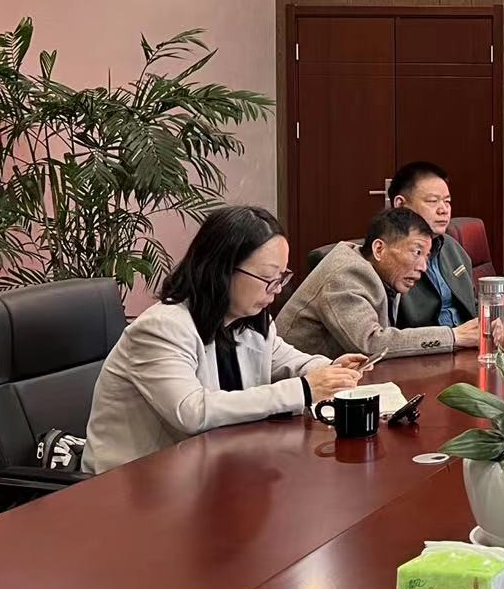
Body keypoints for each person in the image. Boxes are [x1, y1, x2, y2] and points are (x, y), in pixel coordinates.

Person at [84, 205, 363, 474]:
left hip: (212, 468)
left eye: (281, 277)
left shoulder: (247, 320)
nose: (276, 289)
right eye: (268, 277)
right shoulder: (161, 329)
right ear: (222, 269)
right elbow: (191, 411)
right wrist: (303, 389)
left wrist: (331, 369)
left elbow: (287, 360)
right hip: (135, 482)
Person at [276, 208, 482, 358]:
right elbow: (370, 343)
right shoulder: (345, 274)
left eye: (426, 256)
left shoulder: (386, 274)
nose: (423, 266)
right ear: (379, 249)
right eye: (417, 252)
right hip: (298, 387)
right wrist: (453, 336)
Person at [388, 160, 477, 329]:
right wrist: (453, 338)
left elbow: (472, 304)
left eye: (447, 202)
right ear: (400, 204)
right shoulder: (388, 257)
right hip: (429, 343)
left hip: (469, 341)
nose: (443, 210)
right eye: (432, 201)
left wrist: (490, 323)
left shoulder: (452, 246)